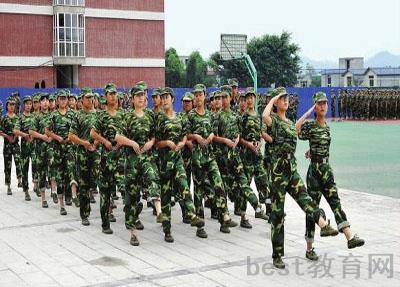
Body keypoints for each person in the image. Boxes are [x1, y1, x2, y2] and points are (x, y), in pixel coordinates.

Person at [262, 87, 339, 269]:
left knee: (306, 200)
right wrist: (273, 98)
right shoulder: (273, 121)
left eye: (287, 98)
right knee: (278, 215)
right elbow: (264, 116)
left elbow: (297, 131)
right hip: (278, 173)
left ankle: (323, 225)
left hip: (292, 169)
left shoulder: (289, 123)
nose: (286, 101)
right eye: (283, 99)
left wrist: (311, 111)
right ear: (276, 103)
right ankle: (277, 255)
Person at [296, 92, 365, 260]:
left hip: (327, 170)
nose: (323, 106)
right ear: (315, 107)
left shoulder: (326, 126)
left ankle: (349, 237)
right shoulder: (311, 126)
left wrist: (312, 150)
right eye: (319, 104)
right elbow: (297, 129)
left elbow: (322, 146)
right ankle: (309, 247)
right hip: (314, 173)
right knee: (312, 208)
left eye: (325, 103)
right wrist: (307, 112)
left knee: (336, 202)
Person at [213, 85, 269, 229]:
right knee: (224, 189)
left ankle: (258, 207)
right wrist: (226, 141)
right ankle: (223, 220)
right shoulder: (217, 116)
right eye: (221, 98)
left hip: (235, 157)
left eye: (226, 97)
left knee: (245, 182)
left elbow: (239, 133)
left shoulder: (235, 116)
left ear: (230, 98)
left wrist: (237, 139)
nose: (224, 100)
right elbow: (214, 137)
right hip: (223, 158)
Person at [187, 84, 237, 238]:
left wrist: (209, 137)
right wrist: (196, 137)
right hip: (197, 158)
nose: (197, 98)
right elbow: (186, 135)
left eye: (200, 95)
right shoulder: (191, 115)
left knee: (219, 184)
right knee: (199, 191)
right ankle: (200, 225)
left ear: (204, 96)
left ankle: (225, 216)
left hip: (210, 156)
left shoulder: (210, 115)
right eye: (195, 95)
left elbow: (214, 133)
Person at [115, 84, 163, 246]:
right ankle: (133, 233)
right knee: (131, 199)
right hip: (131, 162)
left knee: (153, 178)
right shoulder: (127, 117)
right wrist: (132, 143)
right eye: (138, 95)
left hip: (147, 158)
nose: (142, 98)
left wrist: (150, 143)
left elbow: (154, 136)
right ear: (133, 99)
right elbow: (118, 137)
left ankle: (159, 211)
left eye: (144, 95)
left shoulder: (150, 116)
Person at [155, 87, 205, 242]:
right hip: (164, 162)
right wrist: (167, 142)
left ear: (172, 99)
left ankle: (190, 213)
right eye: (162, 98)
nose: (164, 100)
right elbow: (156, 142)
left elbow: (184, 135)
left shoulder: (180, 118)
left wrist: (182, 143)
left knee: (184, 184)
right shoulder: (159, 118)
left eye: (166, 97)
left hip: (177, 160)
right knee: (165, 196)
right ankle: (167, 230)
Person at [90, 83, 124, 234]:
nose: (112, 96)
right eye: (109, 94)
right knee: (106, 191)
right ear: (105, 97)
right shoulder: (102, 116)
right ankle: (105, 223)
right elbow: (93, 133)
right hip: (106, 159)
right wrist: (105, 141)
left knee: (125, 187)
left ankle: (134, 216)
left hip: (121, 158)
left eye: (114, 94)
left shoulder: (123, 115)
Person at [239, 88, 271, 219]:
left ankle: (269, 212)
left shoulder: (259, 117)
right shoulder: (243, 118)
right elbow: (239, 138)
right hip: (246, 156)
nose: (250, 100)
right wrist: (248, 144)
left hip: (257, 156)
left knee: (264, 183)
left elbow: (261, 135)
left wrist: (259, 143)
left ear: (255, 99)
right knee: (245, 186)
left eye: (252, 97)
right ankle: (243, 217)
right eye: (247, 98)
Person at [68, 88, 98, 226]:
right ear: (82, 100)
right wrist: (84, 143)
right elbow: (71, 136)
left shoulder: (99, 115)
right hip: (83, 154)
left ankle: (108, 211)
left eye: (92, 97)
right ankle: (84, 214)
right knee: (84, 184)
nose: (90, 100)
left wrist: (96, 143)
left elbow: (102, 132)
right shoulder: (78, 116)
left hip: (97, 152)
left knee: (100, 180)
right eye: (87, 97)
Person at [46, 90, 75, 216]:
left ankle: (72, 195)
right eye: (61, 99)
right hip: (57, 149)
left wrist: (70, 138)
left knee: (71, 171)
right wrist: (57, 137)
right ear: (57, 101)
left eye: (65, 98)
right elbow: (47, 131)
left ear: (68, 100)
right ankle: (62, 205)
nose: (63, 101)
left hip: (69, 148)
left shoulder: (72, 114)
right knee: (59, 177)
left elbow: (76, 130)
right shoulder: (53, 115)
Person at [29, 93, 54, 208]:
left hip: (51, 147)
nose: (44, 102)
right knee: (42, 173)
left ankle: (54, 191)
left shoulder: (53, 115)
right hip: (40, 149)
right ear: (39, 103)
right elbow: (31, 132)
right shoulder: (36, 117)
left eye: (46, 100)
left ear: (49, 103)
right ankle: (43, 199)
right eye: (42, 100)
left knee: (53, 167)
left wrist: (51, 137)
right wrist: (42, 136)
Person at [14, 96, 35, 201]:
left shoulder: (34, 116)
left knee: (36, 167)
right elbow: (15, 130)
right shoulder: (20, 117)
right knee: (25, 168)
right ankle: (26, 190)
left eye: (30, 104)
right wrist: (24, 135)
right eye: (26, 104)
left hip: (34, 147)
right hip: (25, 147)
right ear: (23, 105)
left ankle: (36, 186)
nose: (28, 106)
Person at [0, 97, 23, 195]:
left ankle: (19, 180)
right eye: (10, 105)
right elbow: (0, 131)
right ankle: (8, 185)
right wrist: (7, 137)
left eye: (13, 105)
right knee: (7, 165)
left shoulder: (18, 117)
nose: (12, 106)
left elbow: (20, 130)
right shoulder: (4, 118)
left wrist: (16, 136)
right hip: (7, 145)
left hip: (16, 144)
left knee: (18, 162)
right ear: (7, 106)